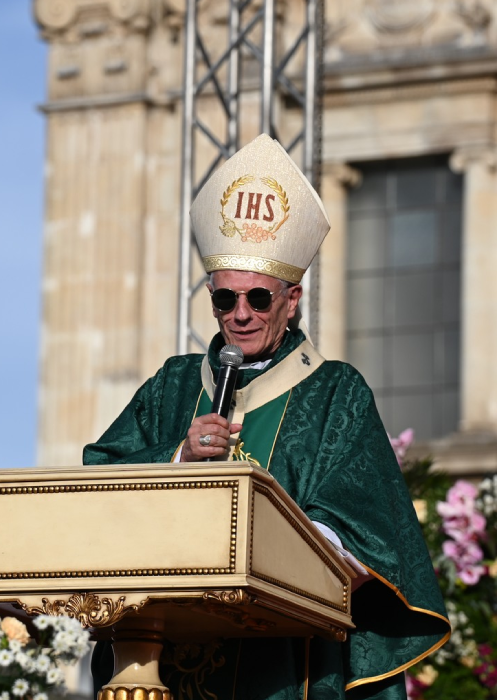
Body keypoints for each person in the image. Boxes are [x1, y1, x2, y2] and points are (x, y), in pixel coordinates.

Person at [84, 135, 450, 700]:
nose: (241, 315)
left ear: (292, 299)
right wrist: (177, 457)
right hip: (166, 651)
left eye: (258, 297)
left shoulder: (335, 391)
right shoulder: (174, 384)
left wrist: (270, 538)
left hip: (284, 654)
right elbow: (98, 477)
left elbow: (368, 531)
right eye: (224, 300)